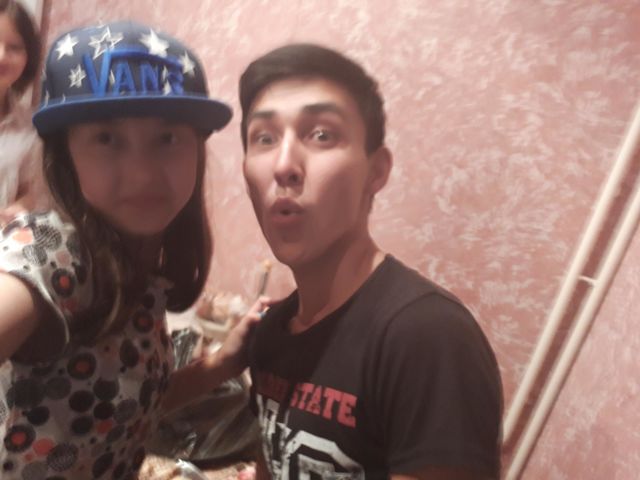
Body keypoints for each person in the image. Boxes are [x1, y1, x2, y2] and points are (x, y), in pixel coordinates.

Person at [0, 20, 268, 479]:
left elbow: (125, 408)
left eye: (167, 138)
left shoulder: (137, 266)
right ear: (66, 156)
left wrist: (222, 362)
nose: (142, 174)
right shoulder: (53, 251)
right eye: (107, 138)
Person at [240, 44, 503, 479]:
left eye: (321, 134)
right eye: (264, 138)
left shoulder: (427, 339)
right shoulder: (271, 332)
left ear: (376, 171)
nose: (284, 165)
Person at [0, 0, 45, 219]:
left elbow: (30, 193)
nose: (2, 56)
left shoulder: (31, 127)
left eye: (14, 47)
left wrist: (17, 209)